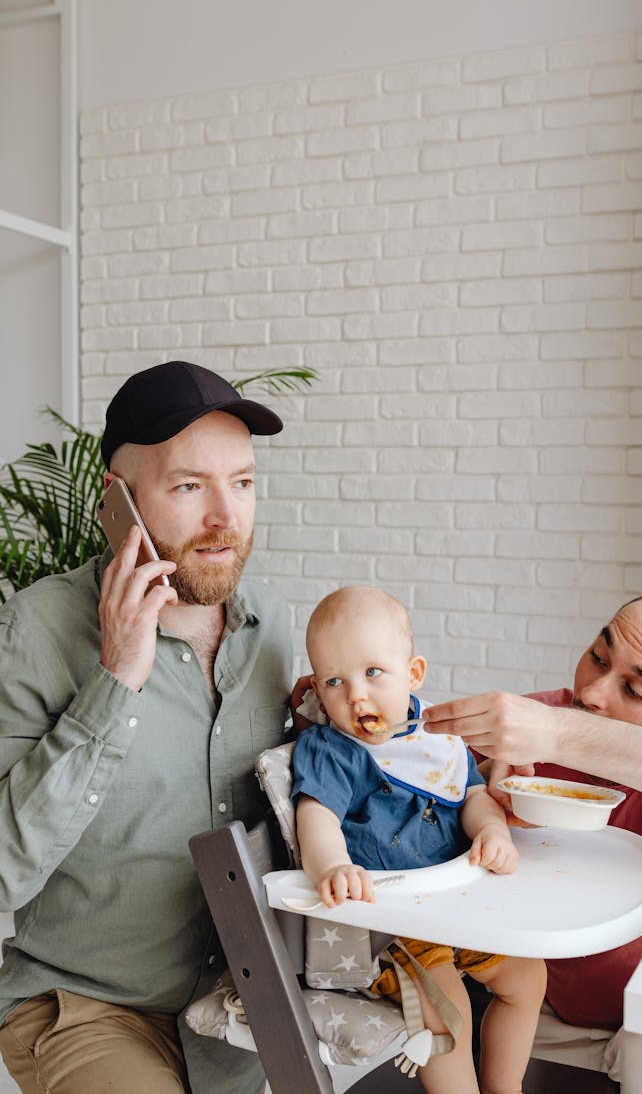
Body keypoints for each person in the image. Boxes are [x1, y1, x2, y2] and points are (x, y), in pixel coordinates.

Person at [0, 361, 293, 1094]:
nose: (226, 516)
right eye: (189, 486)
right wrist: (115, 680)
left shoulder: (274, 625)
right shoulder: (35, 629)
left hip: (235, 1010)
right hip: (81, 1001)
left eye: (244, 482)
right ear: (117, 502)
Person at [422, 592, 642, 1091]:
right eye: (598, 657)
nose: (593, 692)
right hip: (538, 1008)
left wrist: (560, 733)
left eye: (635, 690)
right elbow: (412, 769)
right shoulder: (530, 730)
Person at [292, 585, 547, 1094]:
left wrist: (492, 828)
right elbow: (315, 816)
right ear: (318, 691)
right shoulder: (335, 750)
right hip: (392, 926)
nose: (355, 696)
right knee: (448, 1012)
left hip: (457, 906)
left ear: (413, 675)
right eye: (335, 681)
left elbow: (471, 794)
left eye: (372, 673)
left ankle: (506, 1087)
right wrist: (332, 867)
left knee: (528, 978)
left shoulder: (435, 734)